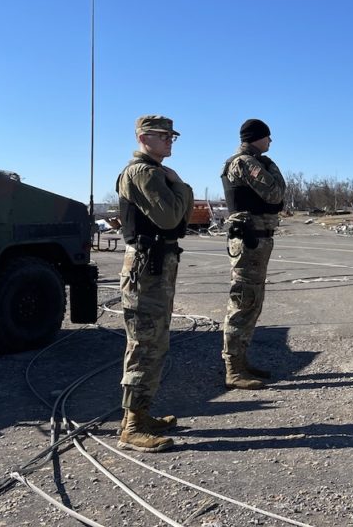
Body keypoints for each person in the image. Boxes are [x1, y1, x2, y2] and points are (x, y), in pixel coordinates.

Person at [116, 115, 194, 452]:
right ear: (143, 137)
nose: (169, 141)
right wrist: (180, 185)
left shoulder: (155, 172)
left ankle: (141, 414)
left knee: (155, 342)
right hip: (146, 270)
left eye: (171, 136)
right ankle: (132, 426)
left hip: (156, 267)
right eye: (163, 136)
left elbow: (179, 217)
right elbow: (170, 217)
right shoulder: (144, 173)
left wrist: (178, 188)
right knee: (145, 344)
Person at [220, 118, 286, 390]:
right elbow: (274, 194)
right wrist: (272, 168)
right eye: (267, 137)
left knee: (252, 301)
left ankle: (241, 362)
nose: (270, 141)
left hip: (257, 239)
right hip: (249, 240)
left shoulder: (254, 161)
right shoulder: (246, 162)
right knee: (244, 301)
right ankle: (233, 369)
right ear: (255, 137)